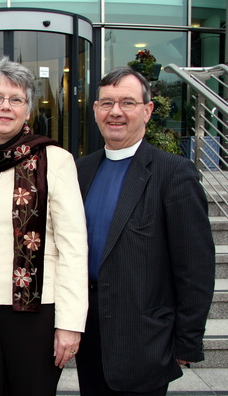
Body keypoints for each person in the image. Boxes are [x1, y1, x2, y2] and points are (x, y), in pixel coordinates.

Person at [0, 56, 88, 396]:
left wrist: (70, 324)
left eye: (16, 99)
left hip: (35, 312)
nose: (5, 107)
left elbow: (73, 246)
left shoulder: (55, 160)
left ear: (28, 110)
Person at [75, 66, 215, 395]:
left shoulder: (174, 174)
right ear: (95, 110)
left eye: (127, 102)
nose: (116, 112)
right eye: (107, 103)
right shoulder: (79, 170)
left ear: (147, 110)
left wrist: (187, 343)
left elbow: (195, 267)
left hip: (145, 340)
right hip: (90, 337)